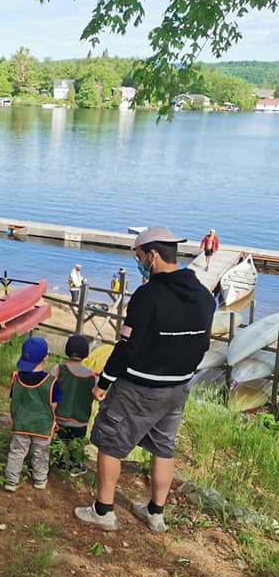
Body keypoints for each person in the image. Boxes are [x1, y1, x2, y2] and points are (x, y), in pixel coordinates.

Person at [74, 227, 214, 533]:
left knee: (110, 442)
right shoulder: (204, 296)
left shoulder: (147, 295)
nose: (139, 263)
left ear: (152, 255)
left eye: (138, 256)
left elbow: (127, 348)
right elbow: (203, 344)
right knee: (164, 448)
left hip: (139, 387)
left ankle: (103, 511)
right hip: (178, 387)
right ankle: (155, 513)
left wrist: (103, 383)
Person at [4, 336, 59, 492]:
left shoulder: (17, 379)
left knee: (16, 452)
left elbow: (14, 399)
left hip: (21, 423)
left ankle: (11, 481)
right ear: (46, 358)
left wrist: (12, 418)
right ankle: (40, 480)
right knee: (41, 453)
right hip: (42, 426)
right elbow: (54, 405)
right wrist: (53, 420)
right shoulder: (51, 382)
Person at [53, 334, 96, 477]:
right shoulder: (92, 376)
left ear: (67, 350)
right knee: (77, 446)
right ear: (86, 354)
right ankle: (75, 466)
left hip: (60, 417)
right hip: (81, 420)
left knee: (59, 442)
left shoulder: (58, 369)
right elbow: (98, 395)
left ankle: (58, 462)